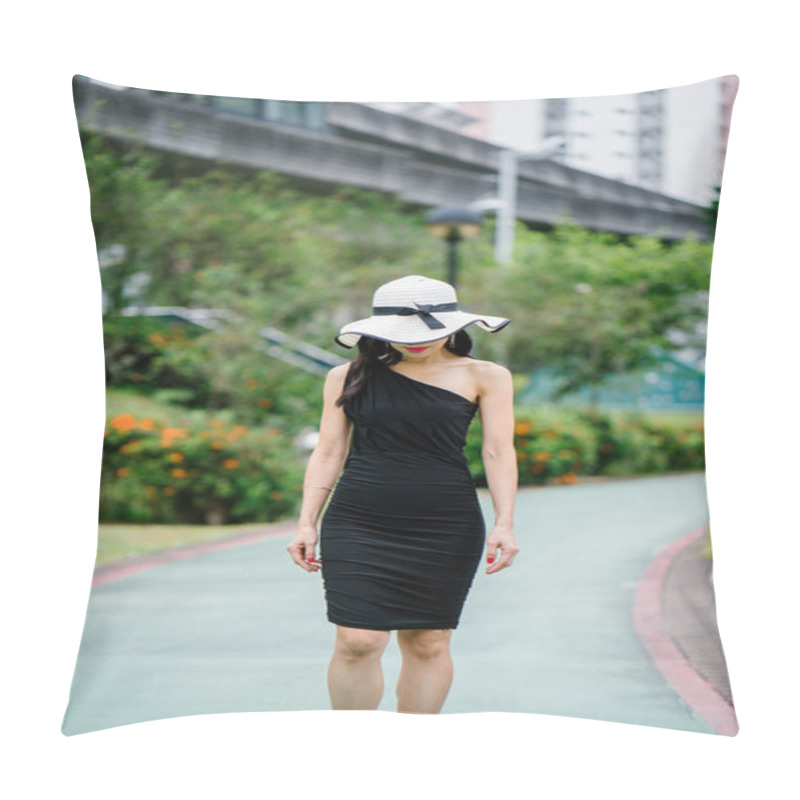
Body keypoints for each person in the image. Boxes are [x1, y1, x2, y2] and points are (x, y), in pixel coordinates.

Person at [287, 274, 519, 714]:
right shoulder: (346, 376)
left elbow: (498, 450)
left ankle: (412, 747)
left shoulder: (486, 376)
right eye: (402, 334)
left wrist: (504, 523)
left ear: (453, 326)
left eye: (426, 333)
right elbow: (330, 450)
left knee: (428, 642)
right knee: (357, 640)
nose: (415, 343)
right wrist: (306, 522)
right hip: (358, 518)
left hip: (444, 523)